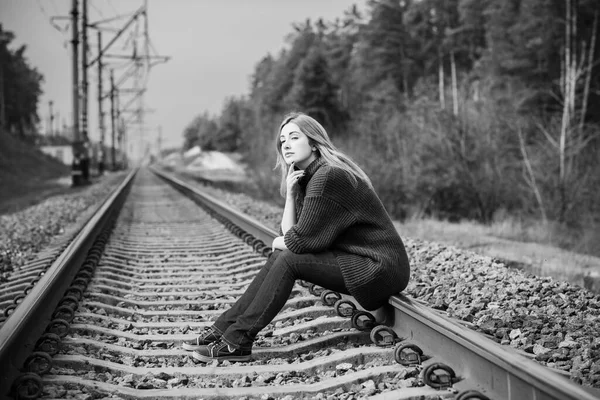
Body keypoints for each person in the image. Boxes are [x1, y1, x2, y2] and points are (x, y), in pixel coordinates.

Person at [183, 112, 411, 362]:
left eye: (294, 137)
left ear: (313, 142)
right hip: (359, 260)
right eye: (282, 140)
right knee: (284, 255)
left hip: (378, 267)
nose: (286, 145)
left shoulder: (327, 176)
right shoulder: (309, 178)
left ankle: (238, 340)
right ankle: (225, 331)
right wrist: (291, 196)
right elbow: (290, 236)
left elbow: (297, 242)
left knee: (287, 258)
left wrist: (279, 242)